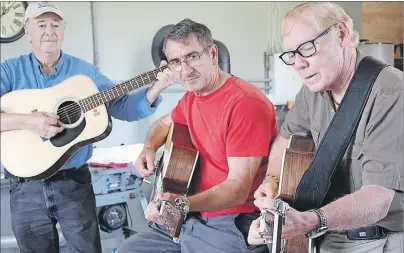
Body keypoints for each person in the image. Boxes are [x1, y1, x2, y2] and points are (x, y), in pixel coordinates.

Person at [0, 2, 171, 253]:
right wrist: (29, 121)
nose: (50, 30)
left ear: (63, 30)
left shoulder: (84, 73)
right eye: (42, 24)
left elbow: (121, 106)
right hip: (26, 187)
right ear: (28, 32)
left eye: (56, 24)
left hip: (73, 183)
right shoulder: (10, 71)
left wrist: (155, 87)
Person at [248, 2, 403, 253]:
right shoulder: (312, 91)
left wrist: (310, 221)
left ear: (341, 34)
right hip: (326, 233)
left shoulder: (391, 92)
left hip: (378, 240)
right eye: (291, 55)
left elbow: (378, 199)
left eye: (307, 48)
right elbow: (286, 138)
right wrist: (272, 181)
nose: (298, 63)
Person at [118, 18, 278, 253]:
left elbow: (238, 188)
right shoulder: (192, 98)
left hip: (231, 221)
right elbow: (162, 124)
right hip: (191, 215)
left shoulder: (245, 103)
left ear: (213, 54)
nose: (185, 69)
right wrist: (149, 148)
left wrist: (182, 205)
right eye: (175, 62)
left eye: (192, 56)